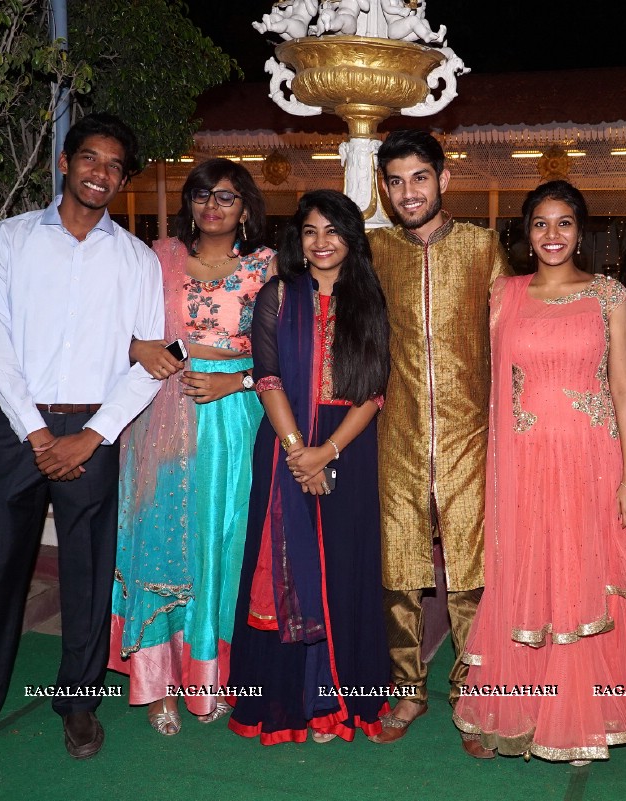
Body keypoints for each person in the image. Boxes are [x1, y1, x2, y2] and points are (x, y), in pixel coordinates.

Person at [0, 113, 162, 770]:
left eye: (114, 165)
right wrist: (38, 432)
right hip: (20, 427)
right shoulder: (8, 240)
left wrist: (92, 435)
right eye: (90, 158)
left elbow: (149, 362)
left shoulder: (136, 258)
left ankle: (77, 701)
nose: (100, 172)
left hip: (96, 427)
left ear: (122, 179)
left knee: (89, 573)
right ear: (65, 162)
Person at [453, 181, 626, 763]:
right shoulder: (503, 295)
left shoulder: (609, 295)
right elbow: (488, 385)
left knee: (586, 580)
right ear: (526, 234)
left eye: (564, 223)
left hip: (593, 458)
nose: (551, 235)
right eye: (540, 224)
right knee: (534, 577)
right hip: (526, 463)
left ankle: (589, 713)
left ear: (580, 231)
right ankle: (527, 708)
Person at [108, 159, 274, 735]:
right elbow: (114, 330)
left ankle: (212, 677)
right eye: (203, 195)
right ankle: (156, 685)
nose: (213, 206)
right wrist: (137, 349)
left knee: (219, 545)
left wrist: (240, 380)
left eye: (226, 197)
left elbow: (292, 352)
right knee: (159, 537)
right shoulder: (157, 260)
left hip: (234, 417)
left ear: (246, 208)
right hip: (159, 413)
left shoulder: (267, 268)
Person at [227, 189, 390, 744]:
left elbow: (373, 392)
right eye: (311, 232)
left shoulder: (369, 299)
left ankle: (342, 701)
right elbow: (267, 377)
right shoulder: (278, 294)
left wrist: (328, 452)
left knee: (343, 571)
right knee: (289, 570)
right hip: (284, 445)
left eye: (334, 232)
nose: (321, 243)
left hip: (350, 448)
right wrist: (300, 451)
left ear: (352, 239)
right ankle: (293, 703)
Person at [367, 129, 510, 757]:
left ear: (443, 179)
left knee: (471, 576)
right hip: (393, 433)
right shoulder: (373, 251)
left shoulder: (482, 248)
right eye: (394, 181)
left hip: (470, 434)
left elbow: (513, 335)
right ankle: (407, 688)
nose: (407, 193)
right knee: (398, 569)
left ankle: (471, 695)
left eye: (418, 178)